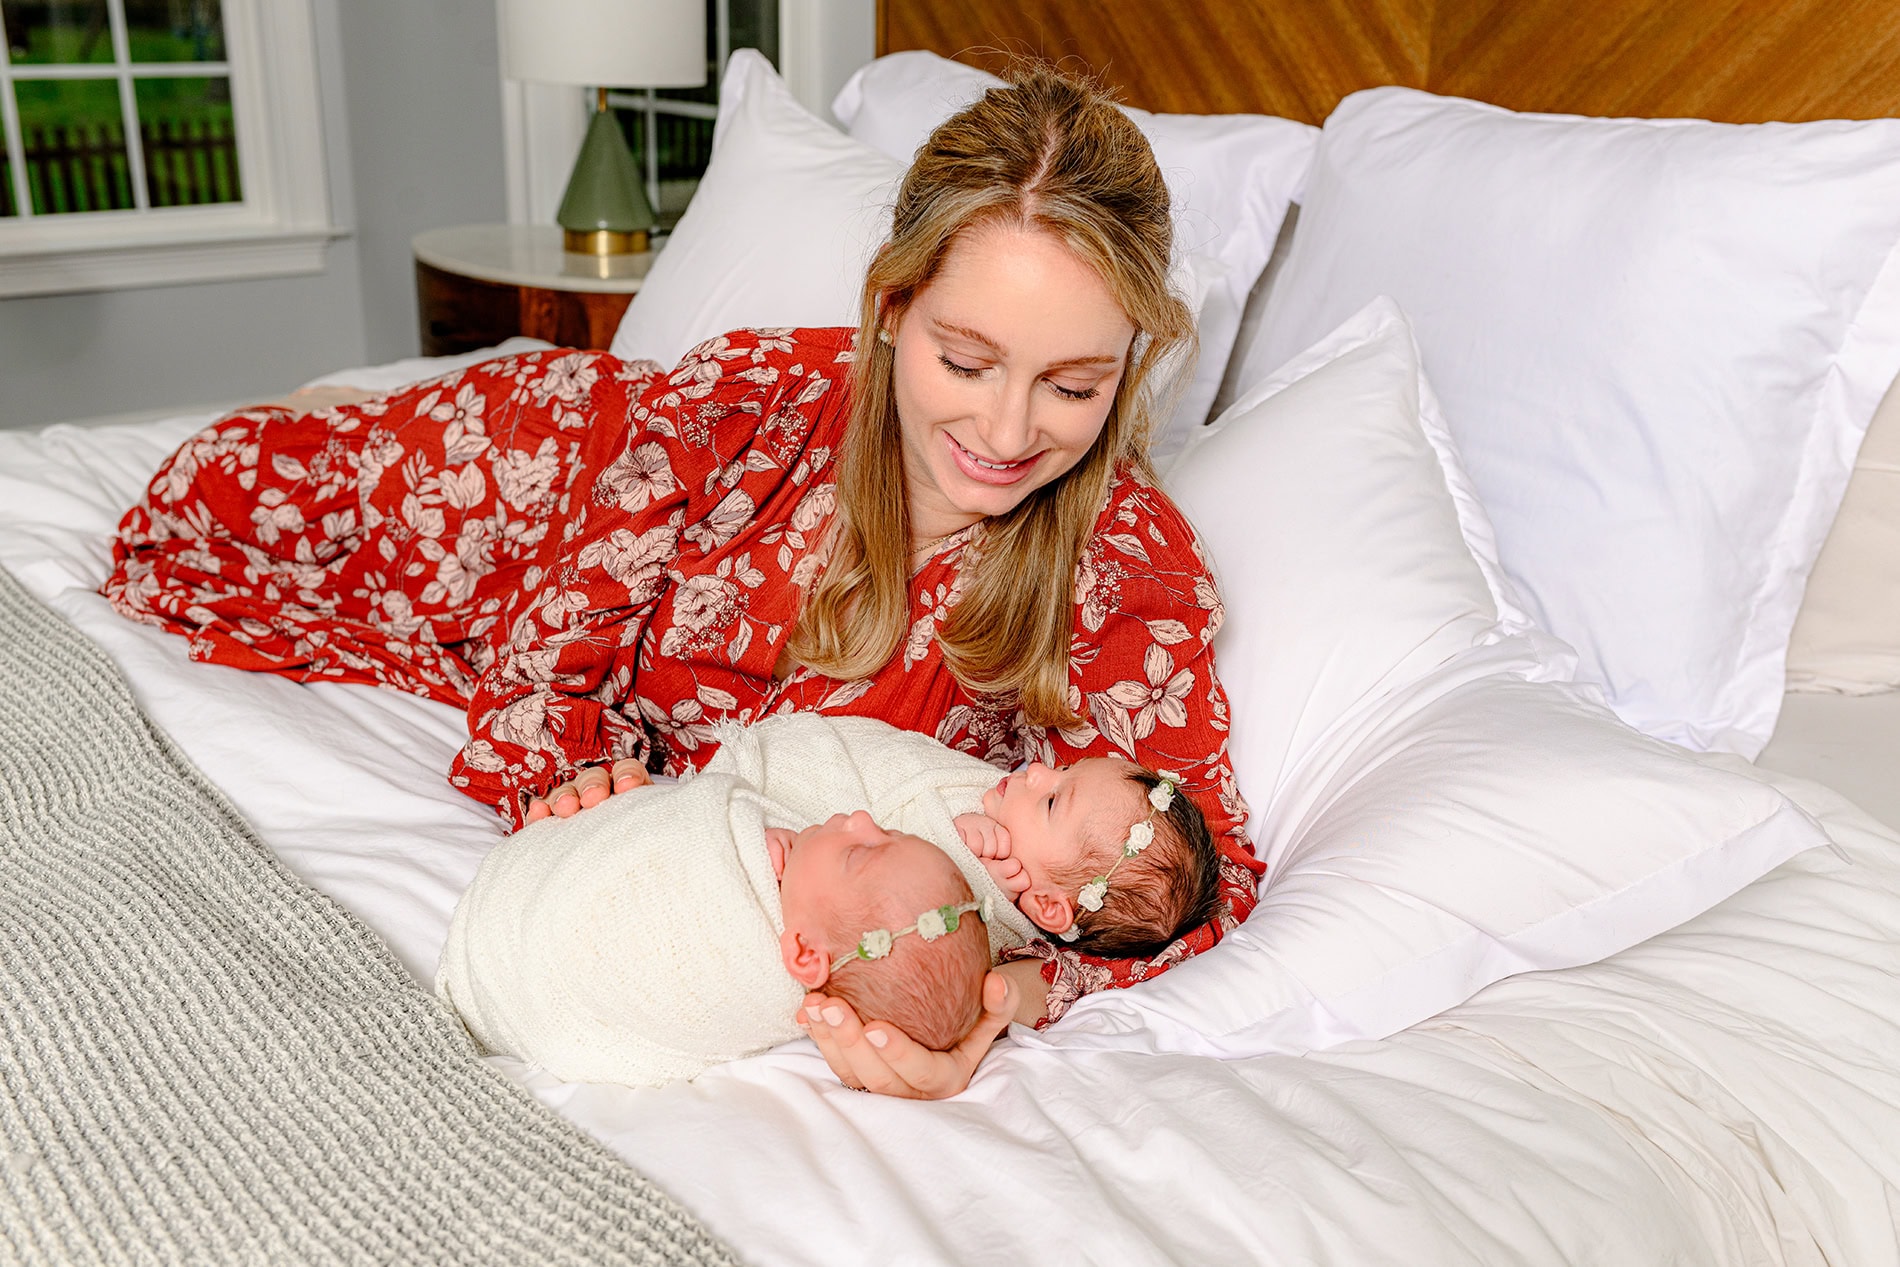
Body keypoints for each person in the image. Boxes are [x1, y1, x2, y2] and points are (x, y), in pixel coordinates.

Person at [102, 61, 1265, 1098]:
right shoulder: (746, 399)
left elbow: (1199, 878)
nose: (1007, 432)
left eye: (1071, 385)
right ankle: (358, 414)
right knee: (219, 495)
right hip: (552, 468)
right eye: (965, 361)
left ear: (1129, 365)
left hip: (598, 499)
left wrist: (993, 998)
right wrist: (569, 784)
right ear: (892, 309)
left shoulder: (1125, 569)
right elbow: (544, 669)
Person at [437, 711, 1040, 1087]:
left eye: (861, 850)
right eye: (887, 830)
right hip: (549, 859)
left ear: (802, 954)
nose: (860, 817)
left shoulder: (753, 950)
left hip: (506, 955)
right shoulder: (795, 870)